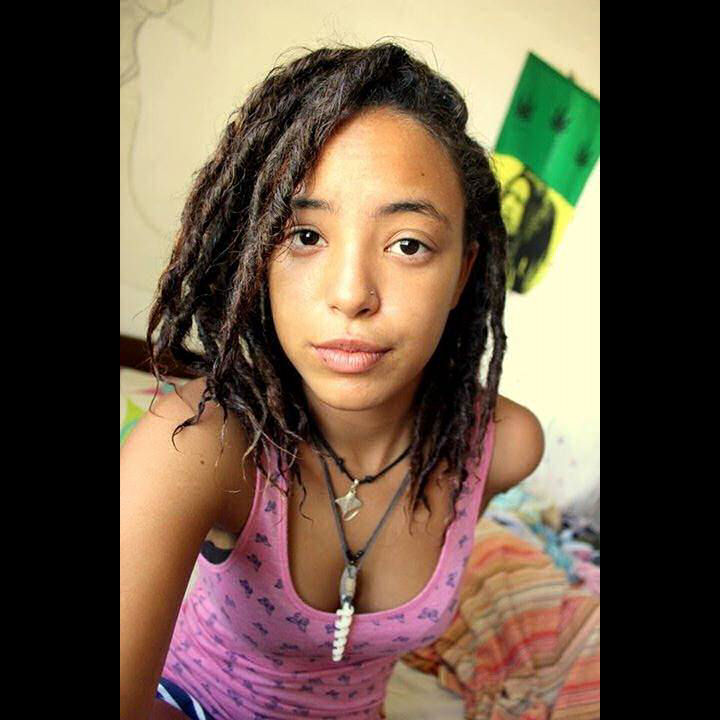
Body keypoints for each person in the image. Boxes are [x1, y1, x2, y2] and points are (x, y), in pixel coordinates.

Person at [120, 42, 545, 720]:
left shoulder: (503, 446)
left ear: (462, 273)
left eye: (408, 244)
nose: (350, 295)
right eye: (305, 236)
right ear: (257, 254)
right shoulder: (197, 442)